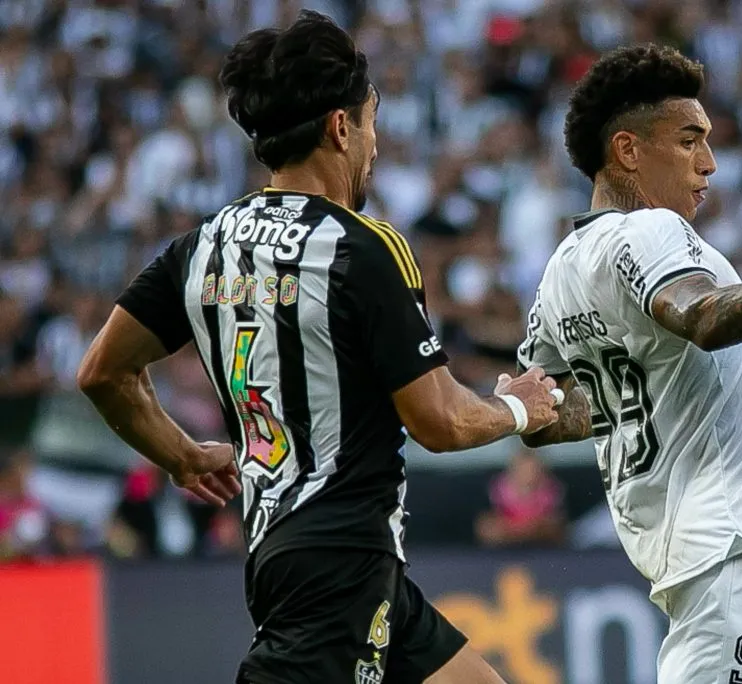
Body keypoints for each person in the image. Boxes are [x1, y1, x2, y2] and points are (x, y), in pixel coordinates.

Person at [76, 11, 561, 684]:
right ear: (341, 126)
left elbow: (103, 371)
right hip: (341, 562)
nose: (376, 144)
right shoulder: (363, 247)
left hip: (297, 552)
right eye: (372, 123)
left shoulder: (206, 244)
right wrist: (518, 410)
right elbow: (441, 421)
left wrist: (183, 456)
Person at [516, 44, 742, 683]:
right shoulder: (649, 231)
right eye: (690, 141)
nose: (710, 164)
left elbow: (554, 414)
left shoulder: (563, 270)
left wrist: (521, 407)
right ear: (629, 151)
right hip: (731, 552)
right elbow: (703, 316)